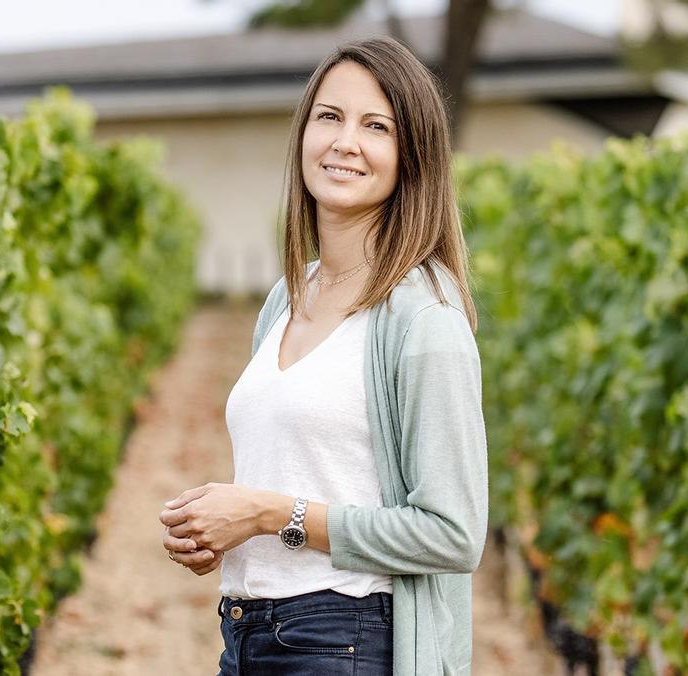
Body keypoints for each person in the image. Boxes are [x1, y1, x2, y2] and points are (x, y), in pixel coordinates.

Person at [158, 35, 488, 676]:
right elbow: (300, 468)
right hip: (249, 633)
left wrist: (269, 515)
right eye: (329, 117)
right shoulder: (287, 295)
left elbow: (454, 532)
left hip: (346, 639)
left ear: (410, 157)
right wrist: (220, 530)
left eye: (376, 126)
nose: (345, 142)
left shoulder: (425, 319)